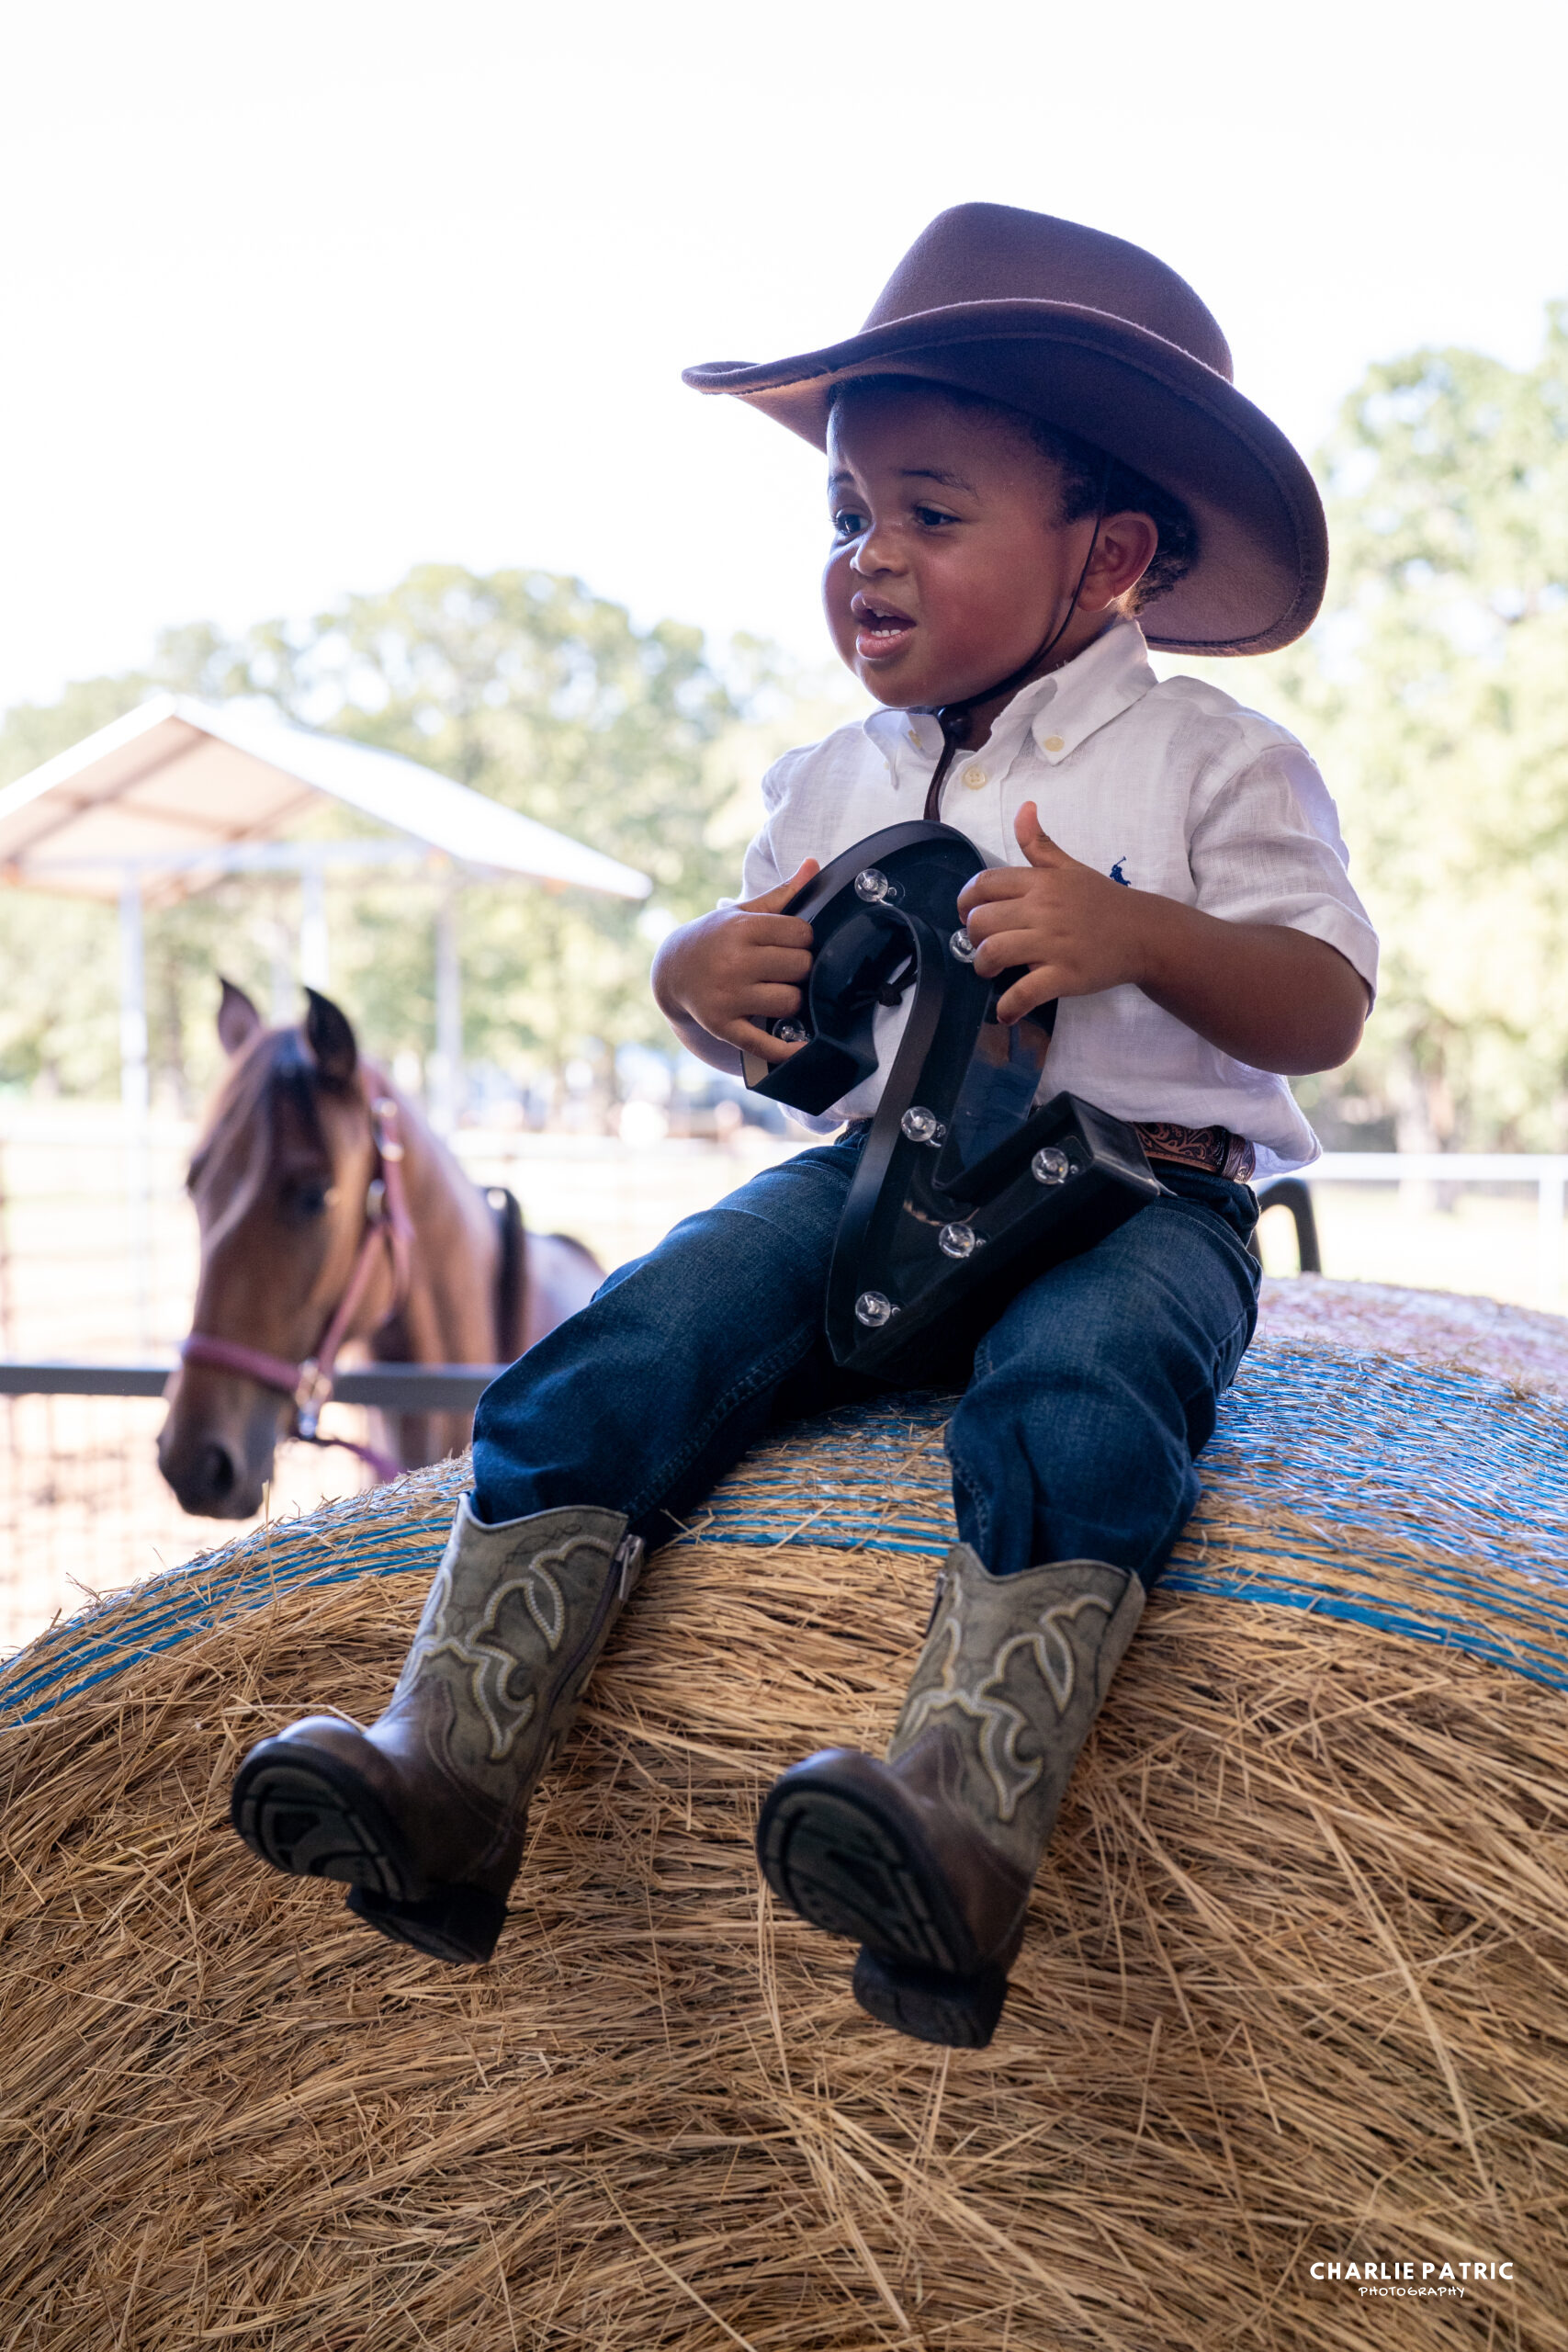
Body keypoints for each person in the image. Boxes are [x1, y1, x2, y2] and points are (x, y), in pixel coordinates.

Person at [230, 205, 1378, 2049]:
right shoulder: (824, 780)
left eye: (929, 511)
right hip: (879, 1175)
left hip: (1135, 1196)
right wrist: (701, 978)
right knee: (637, 1329)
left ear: (1111, 555)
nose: (867, 557)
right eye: (846, 517)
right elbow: (778, 1034)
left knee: (1082, 1389)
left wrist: (1138, 934)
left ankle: (960, 1825)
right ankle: (445, 1765)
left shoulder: (1213, 763)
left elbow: (1320, 1002)